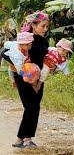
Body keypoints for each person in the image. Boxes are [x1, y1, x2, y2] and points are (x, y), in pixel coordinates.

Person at [2, 11, 49, 148]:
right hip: (25, 78)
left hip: (36, 78)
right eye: (43, 26)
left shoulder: (41, 41)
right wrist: (19, 69)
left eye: (47, 27)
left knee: (33, 107)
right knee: (31, 107)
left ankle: (26, 139)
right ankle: (21, 139)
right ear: (33, 26)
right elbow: (4, 53)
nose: (45, 29)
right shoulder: (26, 39)